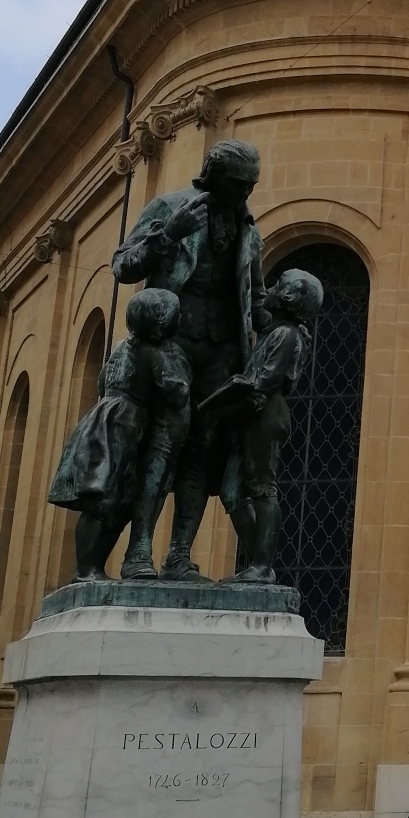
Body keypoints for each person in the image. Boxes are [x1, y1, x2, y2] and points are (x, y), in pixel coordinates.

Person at [111, 139, 266, 578]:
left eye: (250, 186)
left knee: (203, 448)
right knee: (167, 437)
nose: (244, 194)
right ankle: (139, 548)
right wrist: (168, 236)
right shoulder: (171, 207)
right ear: (212, 176)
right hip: (172, 337)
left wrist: (289, 317)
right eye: (237, 184)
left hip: (222, 349)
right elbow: (123, 266)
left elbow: (254, 297)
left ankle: (179, 553)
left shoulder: (248, 227)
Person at [48, 288, 191, 580]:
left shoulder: (120, 347)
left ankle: (89, 569)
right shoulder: (151, 352)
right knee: (106, 502)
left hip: (102, 421)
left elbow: (102, 383)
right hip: (122, 428)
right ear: (160, 322)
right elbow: (174, 391)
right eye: (175, 314)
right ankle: (88, 570)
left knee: (106, 501)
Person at [200, 268, 323, 582]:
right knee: (231, 492)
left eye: (278, 285)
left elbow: (262, 382)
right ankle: (259, 562)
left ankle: (262, 567)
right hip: (254, 414)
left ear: (287, 297)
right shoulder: (278, 329)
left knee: (263, 488)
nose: (270, 288)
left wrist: (218, 405)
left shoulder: (285, 334)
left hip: (264, 413)